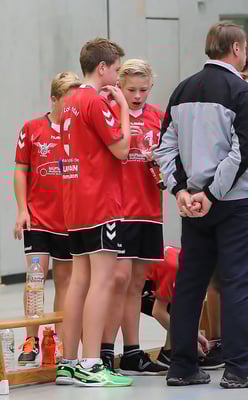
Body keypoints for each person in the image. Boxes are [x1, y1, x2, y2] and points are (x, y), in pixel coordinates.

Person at [153, 22, 248, 389]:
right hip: (233, 202)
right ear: (236, 49)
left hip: (193, 204)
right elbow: (244, 149)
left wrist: (181, 190)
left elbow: (164, 147)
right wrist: (212, 193)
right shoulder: (242, 91)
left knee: (190, 284)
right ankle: (238, 368)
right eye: (245, 48)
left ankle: (182, 365)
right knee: (237, 283)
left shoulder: (182, 89)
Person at [56, 37, 133, 387]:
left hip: (74, 202)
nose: (118, 78)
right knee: (101, 281)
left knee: (79, 282)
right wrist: (123, 109)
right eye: (116, 70)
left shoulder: (70, 101)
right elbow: (122, 149)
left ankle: (68, 362)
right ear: (101, 68)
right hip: (100, 202)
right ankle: (90, 363)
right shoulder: (94, 101)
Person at [99, 58, 167, 376]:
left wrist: (161, 162)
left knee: (138, 283)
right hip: (119, 209)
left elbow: (171, 156)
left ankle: (132, 352)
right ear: (120, 87)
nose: (138, 96)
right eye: (131, 90)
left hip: (149, 209)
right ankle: (104, 351)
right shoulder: (111, 113)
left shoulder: (159, 117)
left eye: (143, 89)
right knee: (119, 280)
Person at [13, 71, 80, 365]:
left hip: (68, 221)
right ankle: (31, 339)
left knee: (65, 282)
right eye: (67, 100)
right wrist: (22, 210)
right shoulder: (32, 128)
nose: (71, 106)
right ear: (54, 98)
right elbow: (20, 170)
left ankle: (60, 343)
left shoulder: (79, 131)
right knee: (36, 278)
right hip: (38, 219)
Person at [140, 246, 211, 367]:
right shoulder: (174, 268)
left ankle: (177, 349)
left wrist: (194, 336)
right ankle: (170, 352)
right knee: (182, 306)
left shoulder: (187, 261)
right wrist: (191, 339)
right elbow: (158, 312)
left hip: (149, 281)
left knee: (189, 302)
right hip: (131, 291)